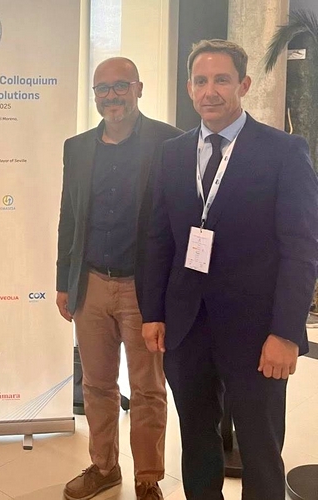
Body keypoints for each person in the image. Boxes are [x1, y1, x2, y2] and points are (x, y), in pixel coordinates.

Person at [141, 39, 318, 499]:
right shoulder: (172, 154)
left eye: (222, 79)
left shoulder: (283, 152)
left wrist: (286, 333)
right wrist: (153, 312)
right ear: (189, 88)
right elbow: (158, 239)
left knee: (260, 449)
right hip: (187, 328)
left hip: (258, 333)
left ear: (244, 84)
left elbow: (301, 249)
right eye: (201, 81)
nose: (210, 91)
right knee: (198, 443)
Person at [56, 57, 181, 500]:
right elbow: (69, 217)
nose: (111, 96)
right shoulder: (77, 148)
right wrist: (64, 281)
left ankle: (148, 478)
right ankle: (104, 467)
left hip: (143, 290)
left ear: (139, 88)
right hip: (90, 284)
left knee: (147, 389)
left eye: (120, 86)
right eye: (103, 88)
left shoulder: (169, 142)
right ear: (95, 95)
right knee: (96, 385)